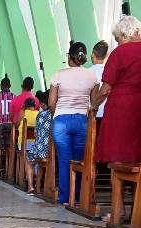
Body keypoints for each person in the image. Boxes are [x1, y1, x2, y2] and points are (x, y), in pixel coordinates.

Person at [92, 17, 141, 164]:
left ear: (124, 35)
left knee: (118, 158)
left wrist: (93, 106)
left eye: (117, 39)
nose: (117, 43)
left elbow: (105, 89)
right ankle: (140, 187)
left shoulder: (120, 52)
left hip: (122, 111)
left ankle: (118, 187)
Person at [49, 41, 98, 205]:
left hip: (61, 121)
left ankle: (65, 198)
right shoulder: (92, 76)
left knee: (64, 160)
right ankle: (77, 197)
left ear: (69, 56)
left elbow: (51, 103)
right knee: (78, 160)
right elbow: (94, 103)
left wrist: (55, 114)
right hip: (82, 121)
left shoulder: (59, 74)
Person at [25, 90, 52, 192]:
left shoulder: (41, 115)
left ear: (44, 104)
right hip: (55, 150)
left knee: (28, 160)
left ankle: (31, 186)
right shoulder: (57, 114)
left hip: (43, 150)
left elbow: (36, 134)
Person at [16, 98, 40, 193]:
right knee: (36, 162)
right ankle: (37, 184)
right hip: (36, 143)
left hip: (24, 143)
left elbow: (17, 125)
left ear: (25, 106)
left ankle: (30, 186)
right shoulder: (38, 113)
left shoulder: (23, 113)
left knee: (28, 162)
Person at [0, 75, 16, 152]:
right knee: (11, 135)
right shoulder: (15, 97)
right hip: (10, 124)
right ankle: (11, 149)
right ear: (10, 85)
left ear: (1, 86)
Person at [90, 40, 109, 121]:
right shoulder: (110, 71)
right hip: (107, 113)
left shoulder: (88, 72)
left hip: (92, 114)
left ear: (92, 55)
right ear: (106, 56)